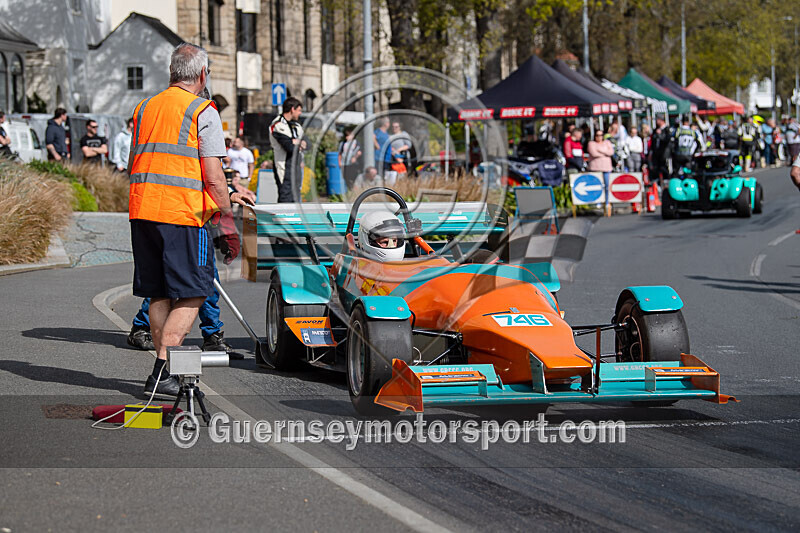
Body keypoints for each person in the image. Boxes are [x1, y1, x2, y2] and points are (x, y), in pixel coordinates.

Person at [128, 43, 252, 397]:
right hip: (182, 215)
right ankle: (161, 372)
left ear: (172, 72)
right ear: (201, 74)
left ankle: (163, 372)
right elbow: (213, 176)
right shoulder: (202, 110)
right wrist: (227, 220)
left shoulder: (144, 107)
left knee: (158, 293)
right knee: (195, 292)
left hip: (143, 210)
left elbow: (140, 160)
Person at [269, 96, 306, 203]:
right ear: (292, 109)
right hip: (284, 166)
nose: (300, 113)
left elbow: (308, 144)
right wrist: (298, 142)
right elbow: (289, 147)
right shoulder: (278, 124)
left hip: (296, 166)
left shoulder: (297, 126)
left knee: (296, 198)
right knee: (286, 197)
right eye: (299, 110)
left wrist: (295, 142)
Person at [587, 129, 615, 211]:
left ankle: (607, 202)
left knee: (607, 186)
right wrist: (605, 152)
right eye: (597, 135)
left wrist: (599, 150)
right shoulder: (591, 143)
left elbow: (611, 152)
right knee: (597, 186)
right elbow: (594, 153)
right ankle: (598, 202)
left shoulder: (607, 142)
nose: (599, 137)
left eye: (601, 135)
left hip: (607, 168)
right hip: (595, 168)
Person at [649, 117, 671, 185]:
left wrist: (660, 135)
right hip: (656, 153)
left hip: (664, 153)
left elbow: (667, 140)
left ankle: (665, 180)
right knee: (656, 167)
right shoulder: (655, 130)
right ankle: (657, 182)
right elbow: (653, 141)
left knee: (664, 167)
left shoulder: (667, 130)